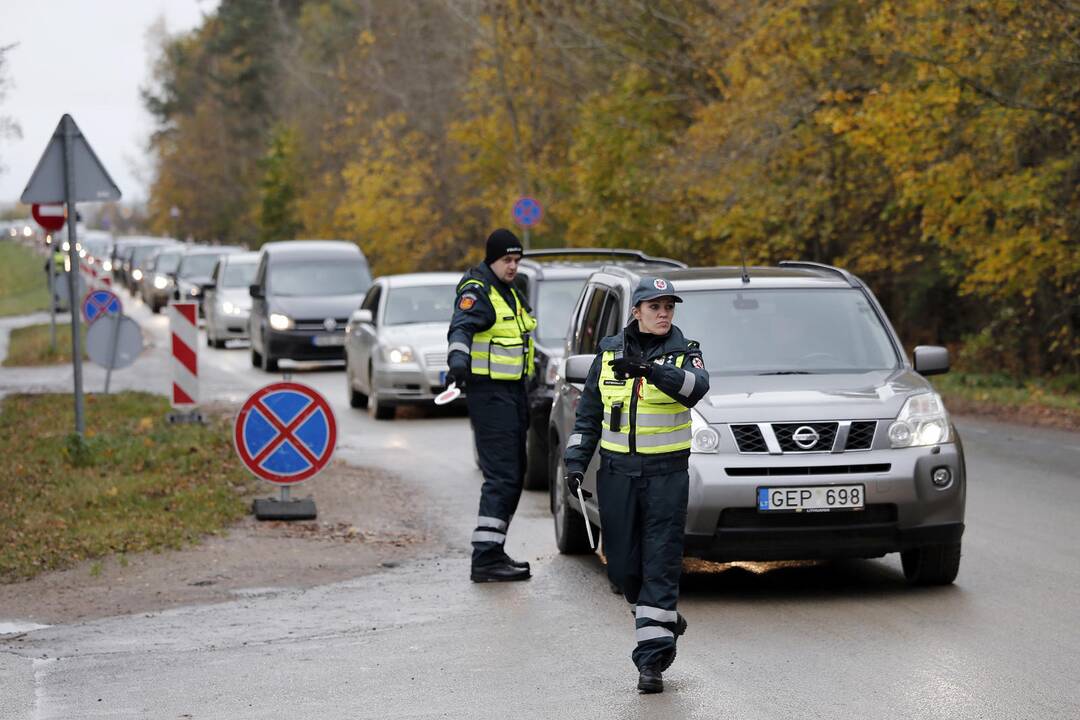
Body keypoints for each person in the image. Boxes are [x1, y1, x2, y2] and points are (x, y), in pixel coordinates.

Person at [563, 276, 710, 694]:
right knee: (624, 571)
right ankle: (662, 621)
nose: (664, 314)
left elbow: (695, 390)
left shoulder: (687, 353)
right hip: (617, 476)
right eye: (655, 307)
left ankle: (652, 662)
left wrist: (650, 369)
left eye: (669, 307)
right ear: (636, 311)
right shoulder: (608, 354)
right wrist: (574, 463)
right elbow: (588, 414)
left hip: (666, 476)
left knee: (660, 563)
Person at [446, 228, 537, 583]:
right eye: (507, 260)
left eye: (517, 260)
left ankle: (493, 551)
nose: (513, 266)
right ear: (491, 259)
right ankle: (485, 558)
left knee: (514, 474)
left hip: (513, 395)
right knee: (502, 477)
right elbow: (461, 328)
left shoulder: (510, 292)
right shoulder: (478, 291)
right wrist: (457, 363)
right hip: (490, 395)